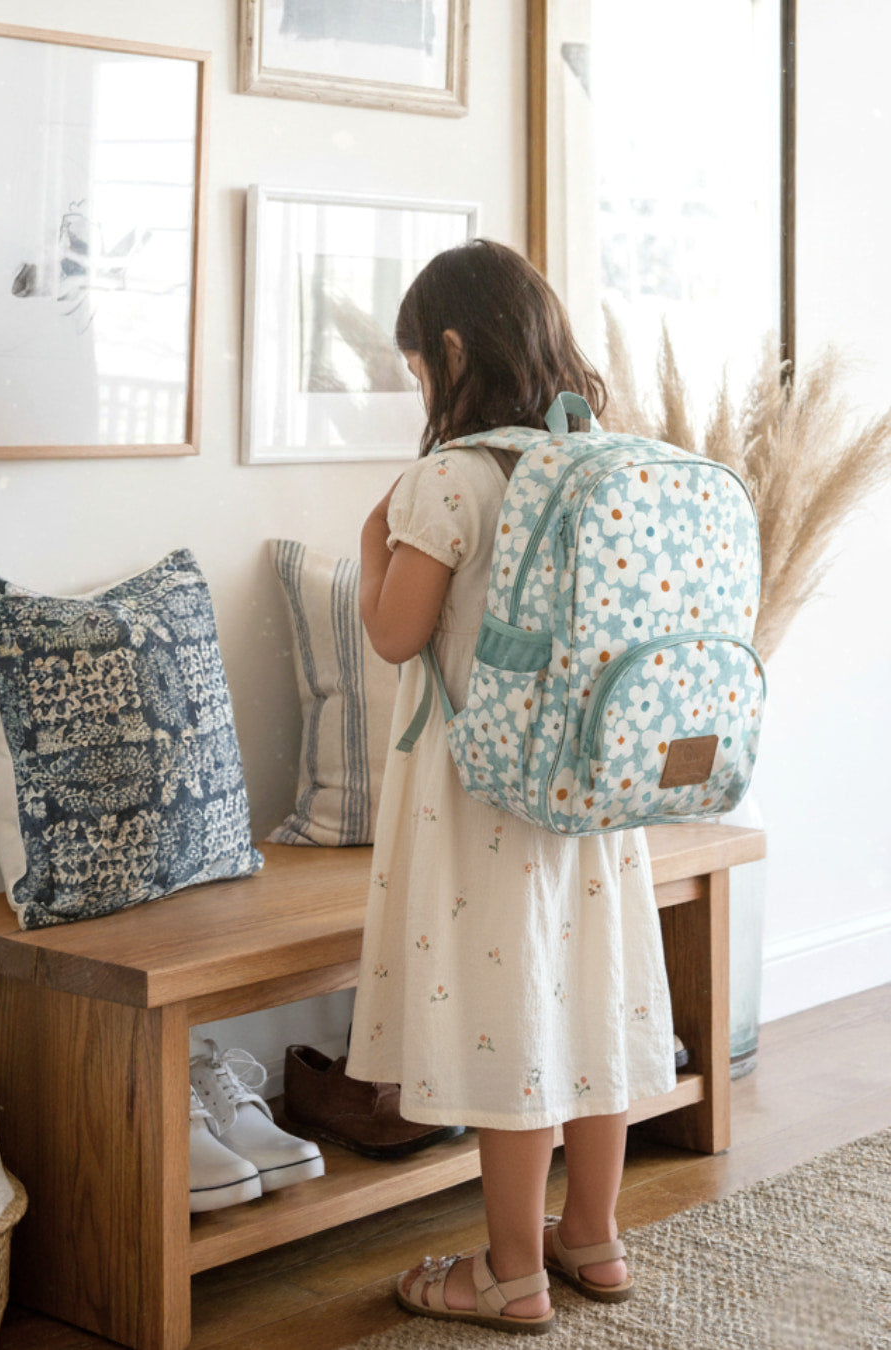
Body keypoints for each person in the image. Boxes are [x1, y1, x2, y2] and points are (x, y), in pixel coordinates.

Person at [345, 239, 677, 1335]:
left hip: (482, 798)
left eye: (415, 368)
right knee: (590, 1004)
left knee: (510, 1020)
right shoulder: (593, 459)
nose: (420, 391)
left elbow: (397, 636)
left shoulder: (449, 479)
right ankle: (591, 1238)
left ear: (449, 349)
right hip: (589, 792)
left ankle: (506, 1273)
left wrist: (371, 542)